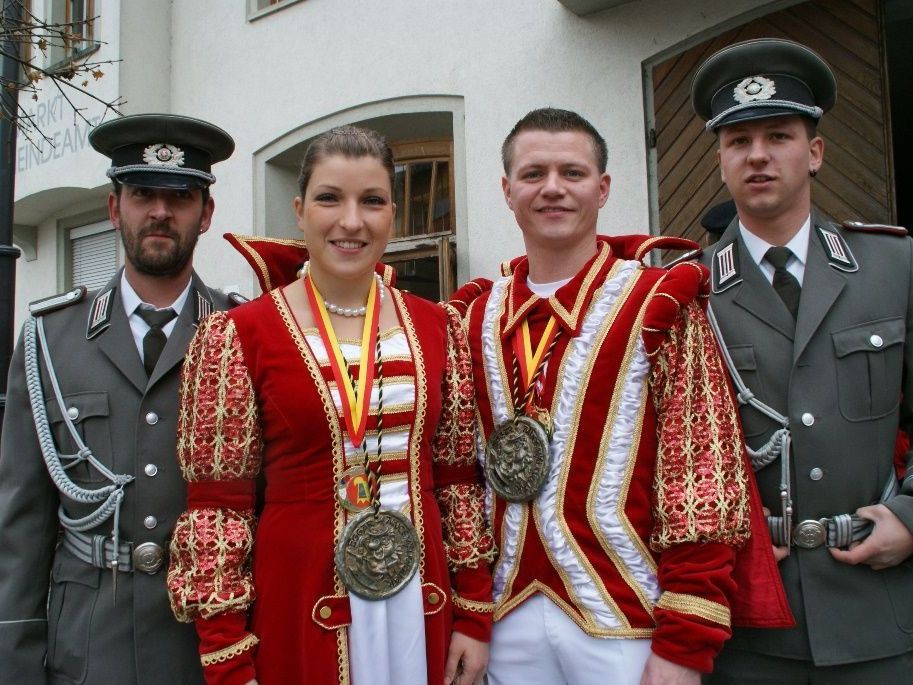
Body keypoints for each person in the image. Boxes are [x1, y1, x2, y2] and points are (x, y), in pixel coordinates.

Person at [165, 126, 495, 685]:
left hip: (423, 597)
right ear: (299, 210)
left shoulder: (440, 327)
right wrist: (227, 651)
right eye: (329, 198)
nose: (351, 221)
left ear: (393, 212)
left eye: (371, 201)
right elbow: (219, 509)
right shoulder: (238, 336)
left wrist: (475, 612)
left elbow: (458, 480)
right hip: (299, 598)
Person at [458, 107, 776, 685]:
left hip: (629, 620)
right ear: (507, 191)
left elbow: (702, 471)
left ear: (603, 189)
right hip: (503, 621)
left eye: (572, 173)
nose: (552, 188)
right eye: (533, 174)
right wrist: (470, 612)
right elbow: (457, 476)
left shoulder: (660, 301)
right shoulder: (472, 315)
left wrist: (685, 642)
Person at [692, 38, 913, 682]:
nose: (758, 154)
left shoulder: (893, 268)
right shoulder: (686, 291)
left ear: (814, 153)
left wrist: (910, 518)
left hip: (879, 612)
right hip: (750, 628)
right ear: (721, 161)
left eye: (778, 135)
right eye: (738, 141)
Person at [0, 113, 236, 684]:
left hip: (206, 648)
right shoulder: (49, 340)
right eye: (141, 194)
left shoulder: (242, 332)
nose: (160, 211)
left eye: (180, 196)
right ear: (114, 208)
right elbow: (21, 524)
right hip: (87, 648)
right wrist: (15, 662)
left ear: (205, 214)